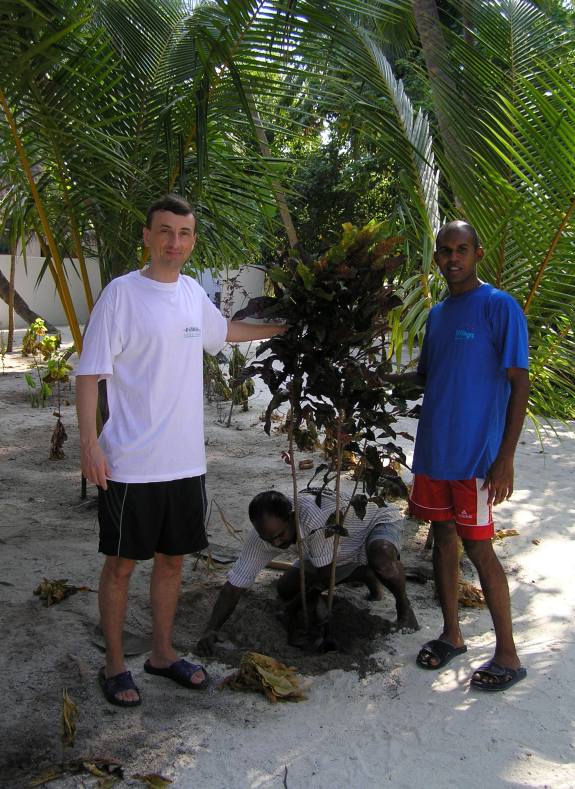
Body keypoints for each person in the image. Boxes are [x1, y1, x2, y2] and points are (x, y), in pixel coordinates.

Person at [76, 194, 285, 707]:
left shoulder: (193, 294)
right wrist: (88, 445)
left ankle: (163, 654)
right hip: (129, 461)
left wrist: (283, 328)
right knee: (122, 565)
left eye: (184, 234)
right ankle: (115, 664)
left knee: (172, 561)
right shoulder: (121, 296)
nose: (174, 242)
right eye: (165, 231)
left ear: (192, 241)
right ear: (147, 237)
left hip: (185, 461)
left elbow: (226, 333)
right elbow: (88, 375)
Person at [388, 220, 529, 692]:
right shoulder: (439, 314)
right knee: (443, 539)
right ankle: (452, 633)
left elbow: (519, 383)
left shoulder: (499, 307)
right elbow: (428, 376)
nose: (453, 259)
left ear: (477, 252)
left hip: (475, 458)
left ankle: (508, 654)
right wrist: (382, 382)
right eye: (445, 251)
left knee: (478, 546)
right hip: (434, 452)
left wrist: (505, 459)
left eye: (462, 249)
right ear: (437, 257)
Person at [197, 488, 419, 655]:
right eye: (269, 538)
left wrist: (292, 610)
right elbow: (233, 587)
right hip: (339, 550)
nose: (277, 542)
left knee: (380, 558)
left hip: (373, 524)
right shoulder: (262, 538)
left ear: (292, 516)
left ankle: (403, 605)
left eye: (281, 535)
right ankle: (365, 573)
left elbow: (325, 575)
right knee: (286, 587)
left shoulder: (315, 519)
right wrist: (211, 629)